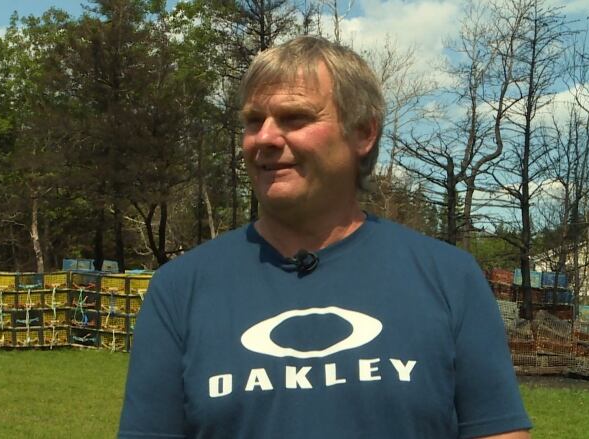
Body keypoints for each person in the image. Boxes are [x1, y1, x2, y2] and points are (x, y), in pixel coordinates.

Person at [118, 36, 532, 439]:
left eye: (294, 118)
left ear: (364, 133)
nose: (264, 138)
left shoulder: (449, 277)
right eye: (252, 121)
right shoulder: (179, 290)